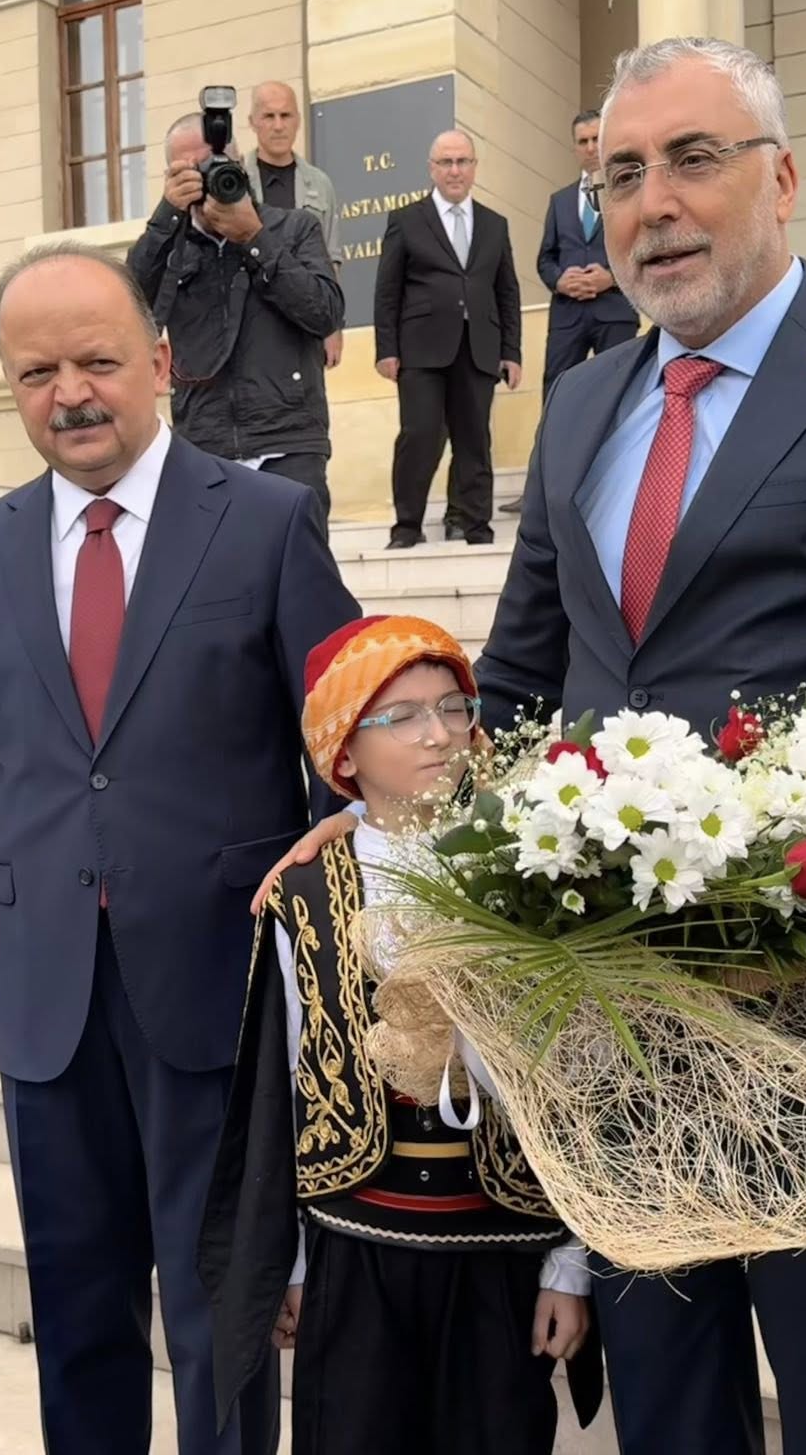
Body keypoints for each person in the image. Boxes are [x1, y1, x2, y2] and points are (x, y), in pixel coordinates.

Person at [271, 35, 806, 1455]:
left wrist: (709, 872)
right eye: (620, 173)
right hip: (616, 1056)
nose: (650, 203)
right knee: (669, 1424)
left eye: (693, 158)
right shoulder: (583, 405)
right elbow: (515, 686)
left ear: (784, 177)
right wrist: (386, 827)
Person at [0, 241, 359, 1455]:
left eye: (98, 361)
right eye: (37, 371)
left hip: (218, 984)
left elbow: (350, 758)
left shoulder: (264, 523)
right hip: (44, 985)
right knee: (75, 1301)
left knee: (221, 1305)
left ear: (159, 363)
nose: (70, 393)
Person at [201, 614, 601, 1455]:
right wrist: (295, 1269)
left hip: (501, 1242)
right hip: (356, 1248)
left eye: (455, 707)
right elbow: (289, 1085)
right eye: (404, 716)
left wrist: (569, 1268)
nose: (439, 733)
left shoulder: (529, 870)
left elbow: (574, 1085)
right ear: (343, 752)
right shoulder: (303, 895)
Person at [128, 110, 344, 532]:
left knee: (299, 582)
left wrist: (254, 239)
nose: (204, 177)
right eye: (188, 169)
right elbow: (127, 308)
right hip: (203, 444)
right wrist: (165, 217)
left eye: (213, 163)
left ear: (238, 162)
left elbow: (325, 312)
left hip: (288, 440)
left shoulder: (294, 227)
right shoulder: (170, 246)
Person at [375, 130, 522, 549]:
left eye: (462, 162)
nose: (455, 170)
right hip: (420, 349)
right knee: (419, 435)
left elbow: (506, 292)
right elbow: (388, 290)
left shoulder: (495, 225)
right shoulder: (405, 220)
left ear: (474, 167)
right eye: (446, 163)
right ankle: (407, 527)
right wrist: (387, 349)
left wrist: (511, 352)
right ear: (432, 169)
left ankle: (476, 525)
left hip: (479, 347)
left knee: (475, 439)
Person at [503, 111, 638, 516]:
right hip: (568, 316)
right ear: (575, 147)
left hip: (614, 311)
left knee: (621, 396)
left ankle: (621, 483)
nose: (590, 148)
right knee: (557, 397)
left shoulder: (630, 191)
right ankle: (541, 491)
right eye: (582, 141)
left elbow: (643, 245)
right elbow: (545, 259)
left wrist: (611, 278)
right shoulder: (560, 201)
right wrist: (561, 281)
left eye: (597, 138)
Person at [245, 81, 345, 372]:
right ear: (253, 122)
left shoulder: (320, 184)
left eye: (286, 116)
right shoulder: (236, 179)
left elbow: (332, 259)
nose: (278, 126)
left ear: (298, 120)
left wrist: (333, 327)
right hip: (254, 318)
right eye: (269, 116)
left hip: (306, 317)